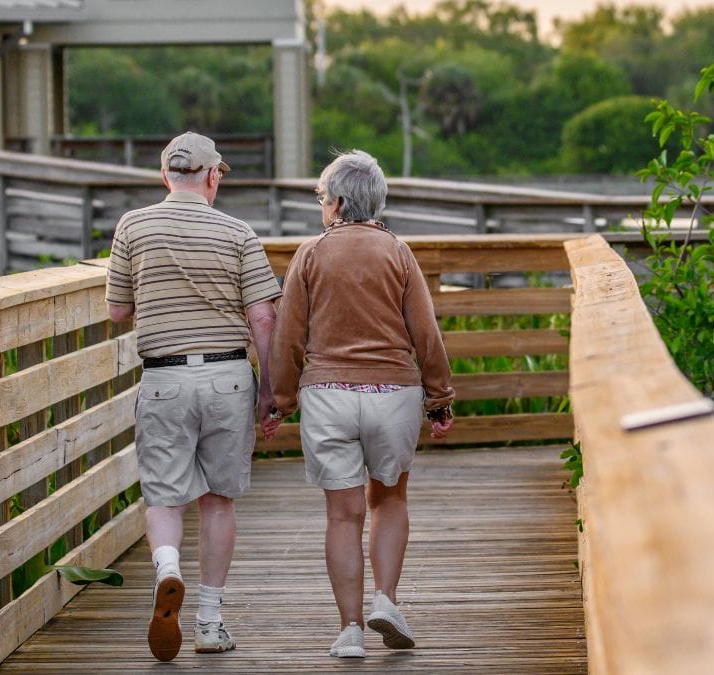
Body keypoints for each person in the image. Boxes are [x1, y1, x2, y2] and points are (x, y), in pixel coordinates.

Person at [266, 150, 455, 659]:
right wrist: (439, 397)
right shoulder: (398, 252)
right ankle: (386, 601)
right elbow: (426, 332)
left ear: (339, 203)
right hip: (393, 394)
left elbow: (289, 337)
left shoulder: (310, 254)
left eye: (323, 198)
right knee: (389, 500)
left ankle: (350, 630)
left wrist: (279, 401)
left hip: (328, 396)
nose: (322, 206)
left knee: (343, 515)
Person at [105, 131, 280, 662]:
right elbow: (264, 317)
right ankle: (209, 620)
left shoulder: (132, 226)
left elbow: (117, 311)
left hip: (164, 378)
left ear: (165, 176)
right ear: (211, 176)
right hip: (227, 376)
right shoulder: (238, 232)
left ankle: (167, 568)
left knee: (163, 495)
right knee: (217, 499)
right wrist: (269, 390)